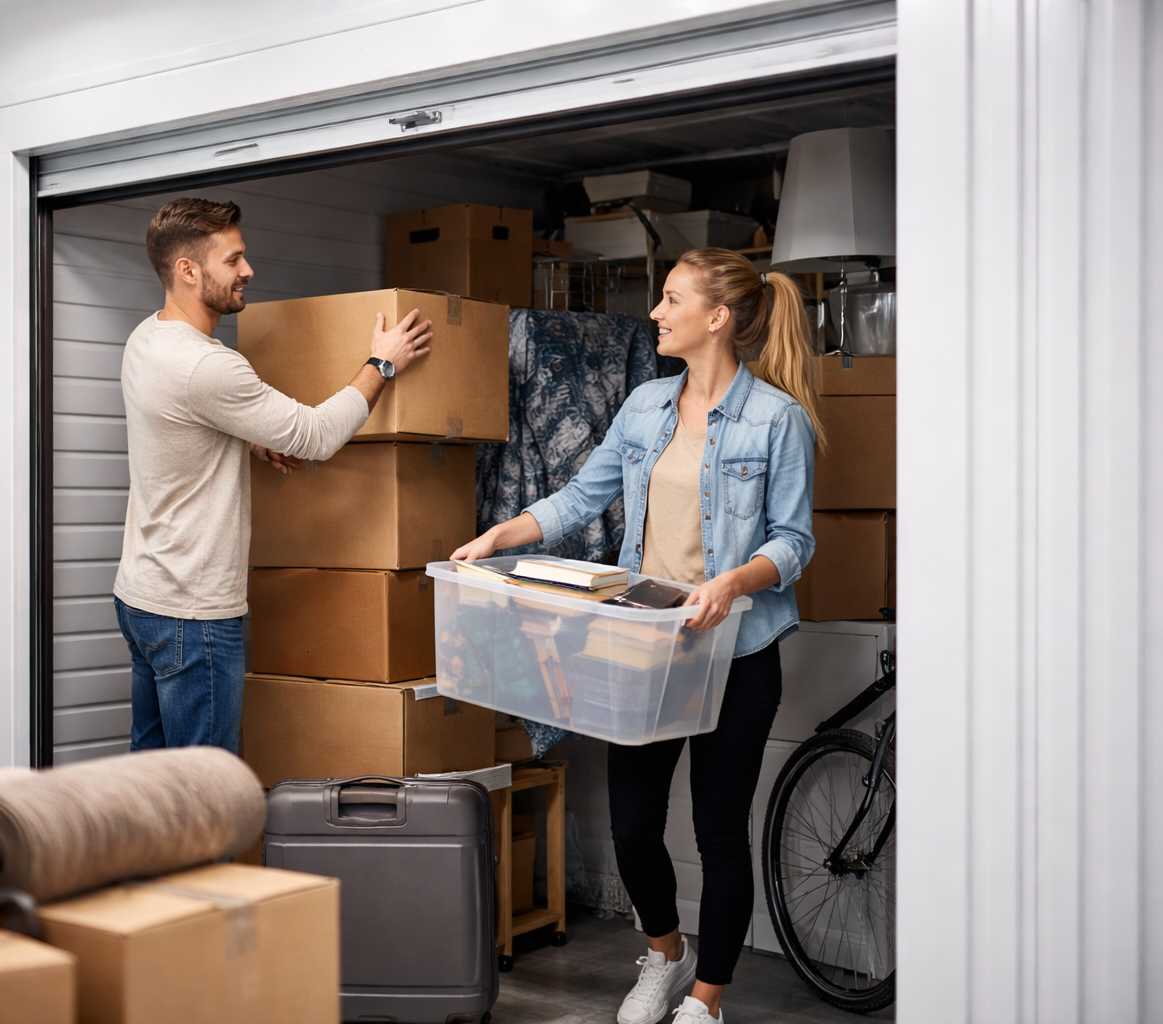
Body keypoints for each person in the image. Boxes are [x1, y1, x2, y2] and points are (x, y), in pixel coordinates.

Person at [452, 249, 820, 1024]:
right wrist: (500, 536)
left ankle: (707, 1002)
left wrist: (733, 582)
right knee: (633, 827)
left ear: (715, 318)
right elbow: (581, 496)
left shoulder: (775, 419)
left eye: (671, 300)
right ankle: (665, 955)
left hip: (737, 653)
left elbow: (793, 541)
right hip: (648, 649)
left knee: (720, 832)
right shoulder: (648, 405)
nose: (655, 313)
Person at [114, 197, 431, 754]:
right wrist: (381, 363)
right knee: (206, 795)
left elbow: (180, 421)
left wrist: (247, 435)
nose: (248, 271)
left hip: (142, 596)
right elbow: (315, 436)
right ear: (188, 271)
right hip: (194, 616)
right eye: (233, 260)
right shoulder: (208, 366)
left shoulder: (147, 338)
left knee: (153, 787)